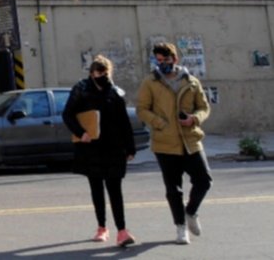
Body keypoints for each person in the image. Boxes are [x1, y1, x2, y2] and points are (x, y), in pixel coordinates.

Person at [136, 42, 212, 245]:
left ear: (175, 59)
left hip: (190, 140)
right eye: (158, 61)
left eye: (166, 60)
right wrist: (159, 122)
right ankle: (180, 228)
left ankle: (191, 213)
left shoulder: (191, 81)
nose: (162, 64)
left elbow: (204, 107)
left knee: (204, 180)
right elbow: (142, 109)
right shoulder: (150, 82)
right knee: (173, 189)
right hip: (165, 143)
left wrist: (194, 119)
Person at [63, 55, 137, 247]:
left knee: (115, 190)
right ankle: (102, 227)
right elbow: (68, 114)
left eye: (105, 74)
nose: (102, 77)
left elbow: (124, 122)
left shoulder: (114, 93)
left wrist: (130, 147)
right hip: (91, 147)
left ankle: (122, 231)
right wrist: (81, 133)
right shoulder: (81, 90)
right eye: (99, 73)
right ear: (91, 73)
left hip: (114, 147)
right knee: (96, 188)